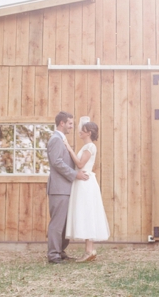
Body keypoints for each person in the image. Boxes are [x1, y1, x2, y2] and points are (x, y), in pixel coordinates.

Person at [64, 117, 110, 262]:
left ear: (89, 132)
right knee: (84, 213)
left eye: (83, 130)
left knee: (87, 212)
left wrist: (68, 147)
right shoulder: (86, 147)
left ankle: (89, 250)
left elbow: (80, 163)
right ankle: (89, 250)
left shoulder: (90, 147)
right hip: (81, 182)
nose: (80, 132)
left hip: (85, 183)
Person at [46, 111, 89, 264]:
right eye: (70, 123)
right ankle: (53, 255)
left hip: (65, 188)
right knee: (57, 224)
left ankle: (60, 251)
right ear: (62, 123)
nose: (72, 126)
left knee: (64, 223)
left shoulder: (61, 139)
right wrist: (75, 175)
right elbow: (57, 162)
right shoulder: (56, 140)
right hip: (58, 189)